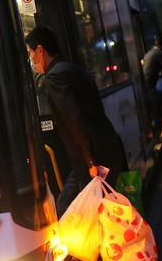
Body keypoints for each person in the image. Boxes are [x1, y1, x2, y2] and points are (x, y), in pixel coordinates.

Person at [25, 25, 128, 216]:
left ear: (40, 50)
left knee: (74, 210)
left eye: (30, 53)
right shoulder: (72, 69)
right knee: (85, 209)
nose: (31, 59)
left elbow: (75, 120)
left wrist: (90, 162)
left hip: (92, 158)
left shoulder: (54, 77)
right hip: (102, 149)